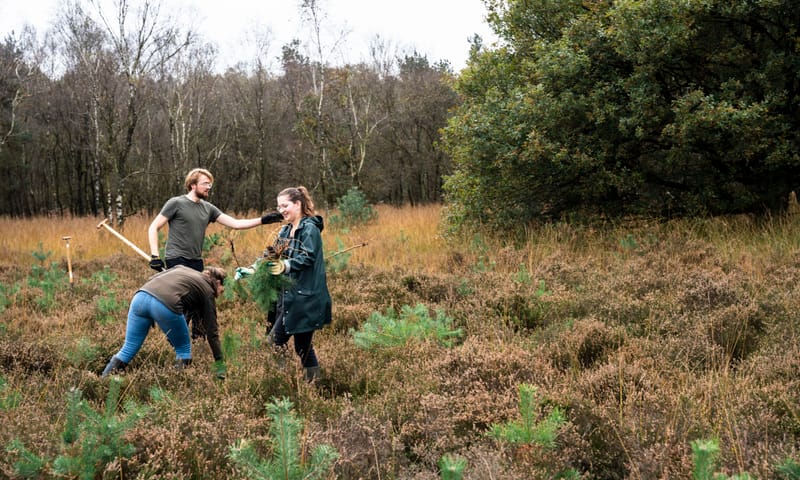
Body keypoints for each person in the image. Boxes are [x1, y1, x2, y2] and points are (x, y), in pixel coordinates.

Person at [101, 266, 227, 378]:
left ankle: (103, 381)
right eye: (222, 289)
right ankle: (180, 387)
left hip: (140, 298)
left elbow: (154, 278)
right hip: (163, 304)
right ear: (217, 282)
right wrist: (219, 363)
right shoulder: (208, 291)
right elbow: (212, 331)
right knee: (183, 348)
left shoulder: (182, 269)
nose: (220, 294)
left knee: (128, 348)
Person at [148, 168, 283, 272]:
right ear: (193, 185)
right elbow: (153, 227)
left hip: (196, 261)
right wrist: (155, 256)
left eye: (210, 184)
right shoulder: (176, 203)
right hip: (176, 260)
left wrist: (263, 220)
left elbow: (235, 223)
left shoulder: (209, 208)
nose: (209, 187)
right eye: (205, 184)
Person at [264, 186, 332, 382]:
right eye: (279, 207)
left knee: (276, 342)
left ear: (298, 204)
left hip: (306, 299)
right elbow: (271, 254)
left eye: (285, 205)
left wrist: (285, 265)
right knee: (303, 346)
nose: (281, 210)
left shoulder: (309, 229)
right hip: (289, 298)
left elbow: (308, 257)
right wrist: (253, 268)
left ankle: (286, 383)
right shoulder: (285, 230)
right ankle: (312, 384)